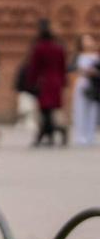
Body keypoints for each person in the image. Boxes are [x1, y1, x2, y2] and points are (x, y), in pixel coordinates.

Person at [27, 18, 69, 147]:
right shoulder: (59, 47)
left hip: (44, 82)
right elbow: (63, 66)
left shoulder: (39, 48)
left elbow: (34, 67)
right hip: (56, 81)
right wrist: (63, 81)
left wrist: (31, 81)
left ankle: (54, 132)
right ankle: (51, 135)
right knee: (49, 110)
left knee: (45, 111)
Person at [71, 33, 99, 147]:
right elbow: (71, 68)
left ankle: (90, 135)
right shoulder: (78, 56)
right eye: (85, 40)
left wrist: (94, 72)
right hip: (82, 83)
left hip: (94, 85)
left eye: (89, 40)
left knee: (93, 111)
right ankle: (80, 135)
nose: (88, 42)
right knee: (80, 109)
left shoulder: (97, 56)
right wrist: (81, 71)